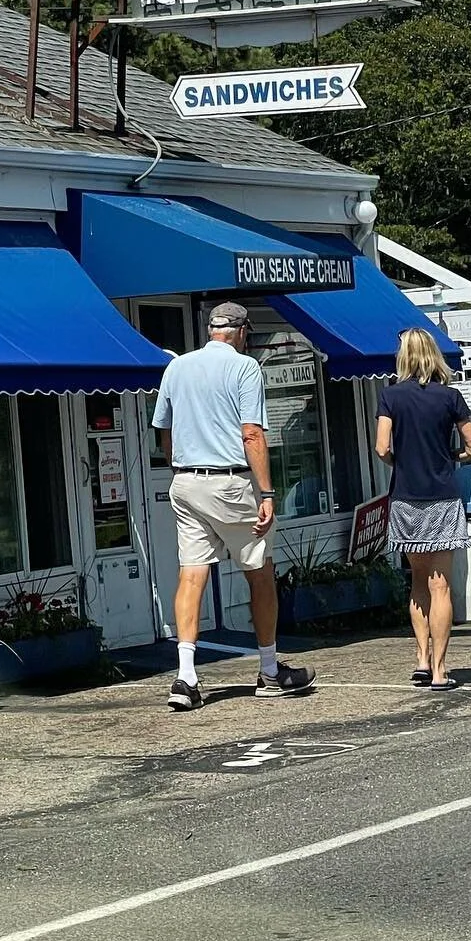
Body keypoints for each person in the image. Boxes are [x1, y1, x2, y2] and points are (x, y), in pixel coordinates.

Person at [152, 300, 315, 711]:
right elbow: (252, 434)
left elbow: (164, 431)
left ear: (211, 330)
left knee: (192, 574)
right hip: (231, 481)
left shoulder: (177, 367)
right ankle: (269, 671)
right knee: (260, 573)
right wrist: (266, 493)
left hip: (187, 481)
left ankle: (186, 677)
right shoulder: (245, 368)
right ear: (241, 332)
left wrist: (179, 470)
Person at [375, 326, 471, 691]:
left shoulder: (390, 397)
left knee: (418, 581)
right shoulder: (450, 398)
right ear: (433, 354)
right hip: (442, 499)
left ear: (403, 356)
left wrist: (401, 464)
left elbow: (381, 448)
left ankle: (420, 659)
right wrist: (450, 457)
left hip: (405, 498)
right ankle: (439, 671)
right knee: (441, 586)